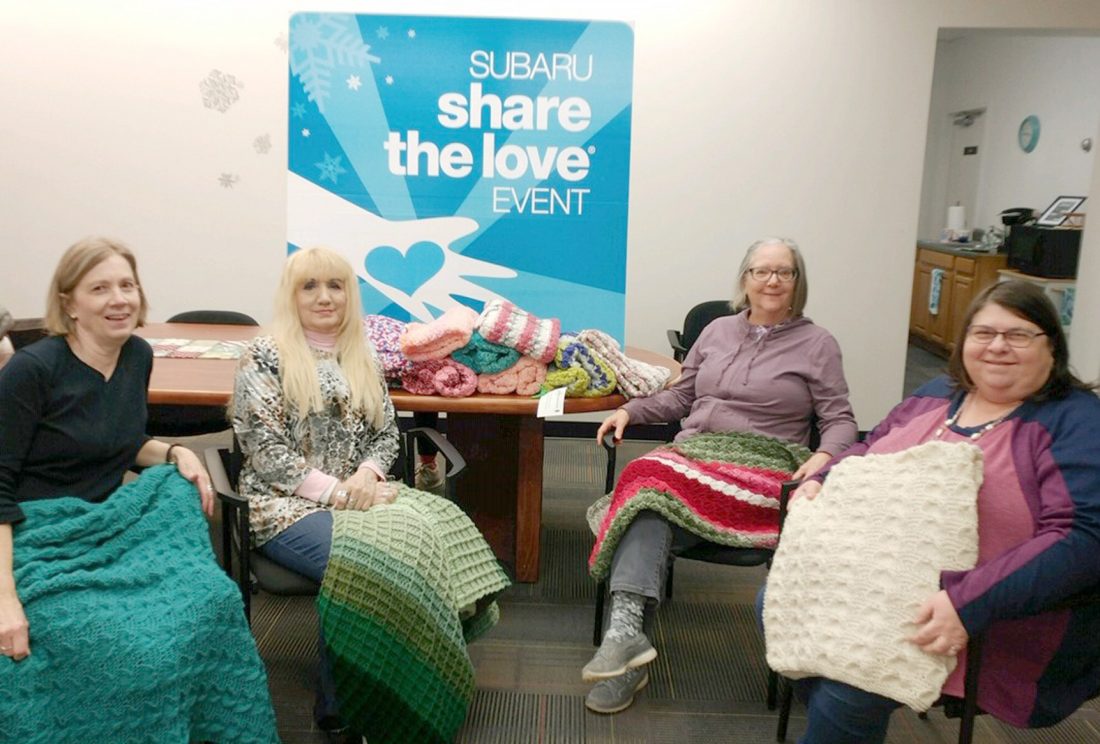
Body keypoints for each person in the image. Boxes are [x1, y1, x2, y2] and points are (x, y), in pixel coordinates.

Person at [777, 279, 1100, 743]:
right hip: (876, 582)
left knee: (851, 687)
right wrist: (824, 478)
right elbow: (869, 446)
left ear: (1052, 346)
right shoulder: (937, 393)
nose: (998, 346)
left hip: (988, 615)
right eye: (983, 333)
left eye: (1018, 334)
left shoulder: (1076, 420)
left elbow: (1081, 539)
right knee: (775, 607)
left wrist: (967, 602)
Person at [0, 237, 277, 741]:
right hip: (35, 535)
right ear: (68, 302)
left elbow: (121, 443)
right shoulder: (32, 370)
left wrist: (174, 453)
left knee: (213, 600)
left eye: (127, 285)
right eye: (99, 288)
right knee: (116, 642)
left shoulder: (137, 356)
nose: (119, 299)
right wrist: (5, 601)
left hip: (103, 528)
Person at [230, 247, 509, 743]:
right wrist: (338, 492)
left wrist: (367, 474)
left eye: (335, 286)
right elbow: (267, 453)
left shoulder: (360, 352)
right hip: (282, 506)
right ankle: (340, 710)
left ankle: (410, 681)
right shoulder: (265, 355)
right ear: (291, 295)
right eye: (310, 286)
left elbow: (385, 435)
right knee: (367, 564)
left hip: (360, 494)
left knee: (437, 530)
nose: (324, 297)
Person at [584, 237, 857, 713]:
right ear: (745, 279)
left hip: (762, 469)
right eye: (761, 271)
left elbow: (840, 419)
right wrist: (631, 410)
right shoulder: (716, 331)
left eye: (784, 272)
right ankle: (625, 641)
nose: (772, 280)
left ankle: (624, 635)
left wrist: (826, 455)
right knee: (647, 497)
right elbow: (681, 397)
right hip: (696, 458)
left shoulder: (818, 344)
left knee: (647, 483)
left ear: (797, 282)